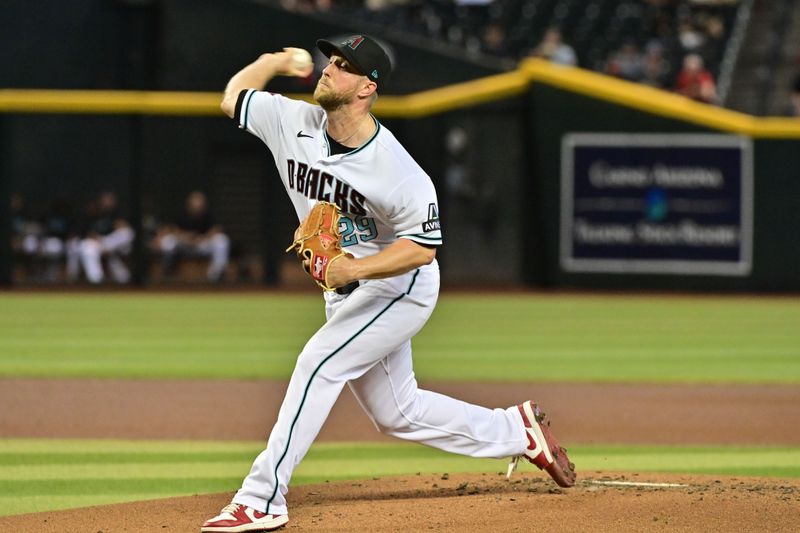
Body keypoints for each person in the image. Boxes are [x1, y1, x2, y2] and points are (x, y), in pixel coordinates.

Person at [201, 34, 575, 532]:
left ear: (367, 89)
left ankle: (262, 497)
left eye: (344, 65)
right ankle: (516, 431)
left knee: (318, 362)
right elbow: (233, 97)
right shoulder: (290, 121)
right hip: (349, 293)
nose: (329, 69)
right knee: (397, 412)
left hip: (400, 286)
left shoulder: (398, 170)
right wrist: (270, 61)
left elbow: (424, 246)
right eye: (330, 60)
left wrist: (352, 269)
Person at [154, 190, 231, 283]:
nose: (197, 207)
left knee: (221, 240)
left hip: (201, 244)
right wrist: (185, 236)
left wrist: (202, 237)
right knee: (168, 241)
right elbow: (171, 229)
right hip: (184, 244)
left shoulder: (208, 215)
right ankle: (168, 268)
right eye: (195, 204)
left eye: (200, 204)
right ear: (189, 204)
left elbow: (217, 229)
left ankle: (217, 273)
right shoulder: (181, 215)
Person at [78, 191, 135, 284]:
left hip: (111, 243)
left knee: (128, 233)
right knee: (86, 247)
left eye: (110, 200)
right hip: (97, 242)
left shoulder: (116, 213)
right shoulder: (91, 212)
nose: (107, 202)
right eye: (105, 200)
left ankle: (108, 251)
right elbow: (87, 233)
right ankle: (96, 281)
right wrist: (99, 242)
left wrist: (108, 246)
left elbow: (124, 228)